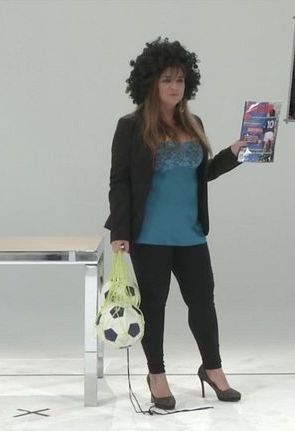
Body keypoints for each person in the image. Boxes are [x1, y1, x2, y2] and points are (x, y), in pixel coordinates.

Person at [104, 37, 244, 410]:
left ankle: (213, 369)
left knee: (203, 302)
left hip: (190, 233)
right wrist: (120, 232)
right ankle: (157, 375)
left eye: (180, 80)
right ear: (150, 82)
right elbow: (120, 181)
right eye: (167, 79)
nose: (174, 87)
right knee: (154, 306)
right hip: (148, 234)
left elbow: (202, 173)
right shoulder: (131, 126)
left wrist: (235, 153)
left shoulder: (194, 123)